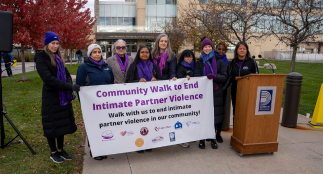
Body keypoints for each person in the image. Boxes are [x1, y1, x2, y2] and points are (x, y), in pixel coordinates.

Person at [35, 31, 80, 163]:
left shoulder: (58, 57)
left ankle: (61, 150)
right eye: (52, 43)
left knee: (62, 124)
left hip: (62, 96)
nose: (55, 46)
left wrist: (68, 84)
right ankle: (53, 152)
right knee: (52, 124)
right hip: (51, 96)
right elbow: (48, 79)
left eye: (57, 43)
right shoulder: (41, 58)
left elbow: (66, 73)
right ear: (46, 44)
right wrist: (69, 87)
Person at [76, 44, 114, 160]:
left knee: (105, 126)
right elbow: (79, 86)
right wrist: (83, 103)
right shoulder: (84, 67)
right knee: (94, 127)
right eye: (94, 52)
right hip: (91, 105)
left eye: (99, 52)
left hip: (106, 104)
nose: (97, 54)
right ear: (90, 54)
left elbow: (111, 83)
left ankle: (104, 147)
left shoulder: (106, 66)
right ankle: (95, 150)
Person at [126, 46, 161, 153]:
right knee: (139, 122)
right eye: (142, 52)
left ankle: (148, 143)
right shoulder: (133, 66)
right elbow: (127, 82)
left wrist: (156, 80)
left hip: (152, 100)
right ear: (138, 54)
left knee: (150, 122)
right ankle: (139, 144)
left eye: (147, 52)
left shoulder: (154, 66)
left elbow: (161, 79)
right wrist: (138, 82)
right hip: (138, 101)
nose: (145, 54)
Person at [194, 36, 227, 149]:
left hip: (216, 92)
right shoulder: (199, 62)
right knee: (203, 117)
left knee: (214, 117)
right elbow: (196, 76)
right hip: (203, 94)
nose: (207, 48)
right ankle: (202, 140)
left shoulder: (218, 61)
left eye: (209, 46)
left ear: (212, 48)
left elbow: (224, 77)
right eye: (205, 47)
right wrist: (204, 79)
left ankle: (213, 139)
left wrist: (215, 77)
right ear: (202, 48)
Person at [223, 41, 259, 123]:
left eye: (244, 49)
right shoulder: (232, 63)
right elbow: (229, 77)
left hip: (249, 93)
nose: (242, 50)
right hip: (236, 93)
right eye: (240, 49)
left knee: (247, 114)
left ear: (247, 50)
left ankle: (246, 134)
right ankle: (236, 134)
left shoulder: (252, 62)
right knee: (236, 114)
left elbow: (256, 77)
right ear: (236, 50)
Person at [213, 41, 229, 143]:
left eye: (223, 49)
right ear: (216, 49)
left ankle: (218, 133)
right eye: (219, 49)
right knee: (211, 112)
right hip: (213, 90)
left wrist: (223, 89)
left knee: (220, 113)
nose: (221, 51)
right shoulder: (212, 60)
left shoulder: (228, 62)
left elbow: (228, 77)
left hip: (222, 90)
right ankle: (211, 132)